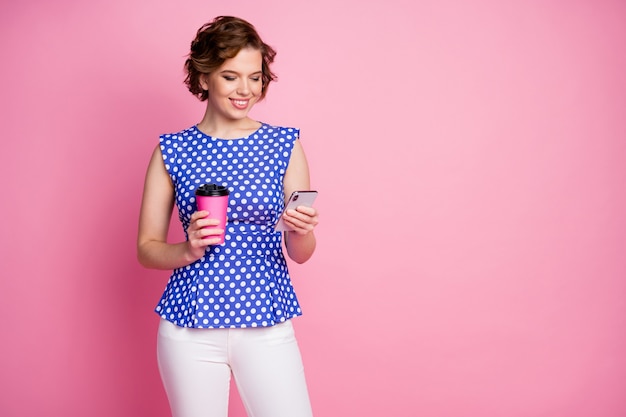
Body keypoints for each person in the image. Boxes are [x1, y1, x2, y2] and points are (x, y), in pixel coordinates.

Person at [137, 16, 318, 417]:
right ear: (203, 79)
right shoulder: (172, 150)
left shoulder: (284, 144)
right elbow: (146, 250)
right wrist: (187, 248)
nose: (246, 90)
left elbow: (301, 253)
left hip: (267, 323)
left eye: (255, 78)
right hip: (189, 327)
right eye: (231, 76)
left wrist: (301, 230)